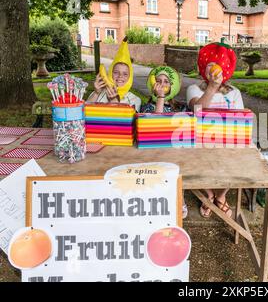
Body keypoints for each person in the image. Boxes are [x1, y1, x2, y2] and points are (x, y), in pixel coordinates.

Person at [186, 40, 244, 218]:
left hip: (225, 141)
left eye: (216, 67)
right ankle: (208, 194)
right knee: (192, 158)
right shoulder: (193, 89)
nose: (213, 71)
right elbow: (196, 111)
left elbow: (241, 121)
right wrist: (212, 87)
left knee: (238, 159)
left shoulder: (234, 93)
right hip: (199, 141)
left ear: (224, 70)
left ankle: (220, 196)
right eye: (209, 66)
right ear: (203, 69)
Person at [141, 65, 188, 219]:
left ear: (172, 86)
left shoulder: (181, 108)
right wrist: (160, 98)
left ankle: (178, 197)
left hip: (175, 152)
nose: (162, 85)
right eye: (158, 81)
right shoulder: (146, 107)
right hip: (153, 152)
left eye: (166, 82)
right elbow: (154, 126)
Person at [88, 37, 141, 111]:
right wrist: (96, 93)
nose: (120, 76)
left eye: (125, 74)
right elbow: (85, 112)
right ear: (110, 73)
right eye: (116, 72)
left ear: (130, 77)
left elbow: (127, 121)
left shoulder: (135, 100)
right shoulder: (98, 93)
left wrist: (114, 102)